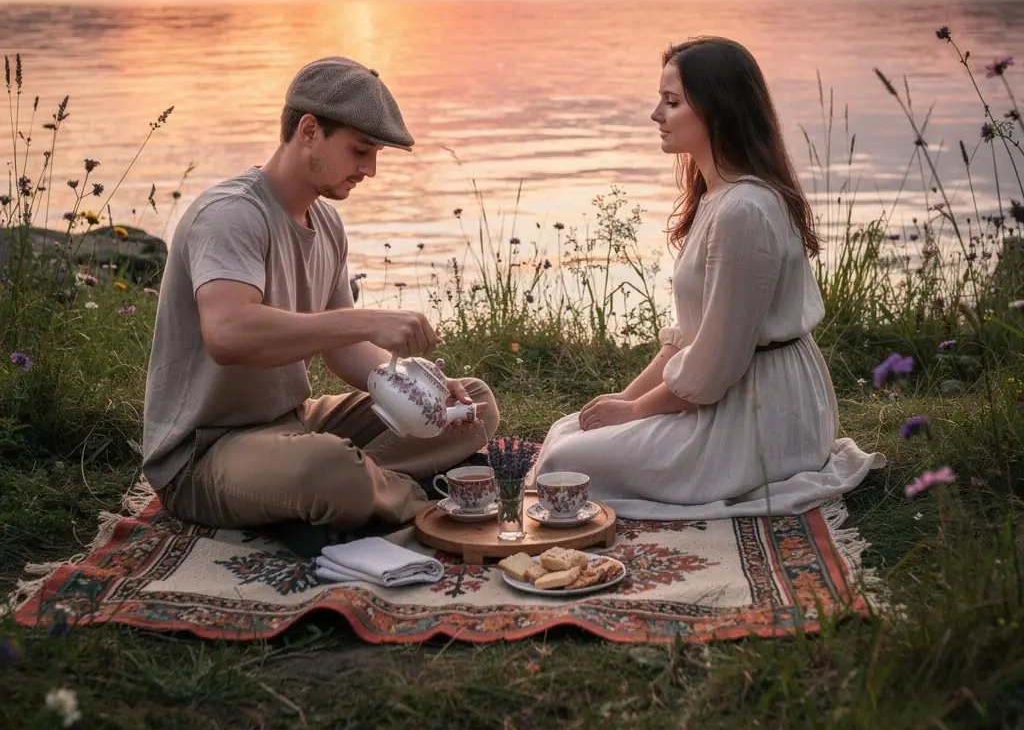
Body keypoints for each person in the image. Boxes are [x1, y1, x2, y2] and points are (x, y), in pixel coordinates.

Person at [142, 57, 500, 547]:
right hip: (205, 452)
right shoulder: (230, 216)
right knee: (331, 465)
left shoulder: (326, 223)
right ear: (309, 130)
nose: (370, 170)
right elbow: (229, 333)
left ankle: (331, 498)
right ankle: (408, 500)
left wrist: (418, 388)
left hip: (293, 424)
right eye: (360, 151)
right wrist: (365, 320)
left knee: (471, 404)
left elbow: (344, 351)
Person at [534, 36, 883, 519]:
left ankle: (755, 467)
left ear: (717, 111)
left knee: (563, 461)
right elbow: (689, 340)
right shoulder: (717, 197)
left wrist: (635, 413)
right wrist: (625, 398)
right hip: (734, 393)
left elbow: (717, 365)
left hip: (764, 414)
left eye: (672, 102)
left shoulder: (744, 210)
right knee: (569, 432)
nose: (656, 114)